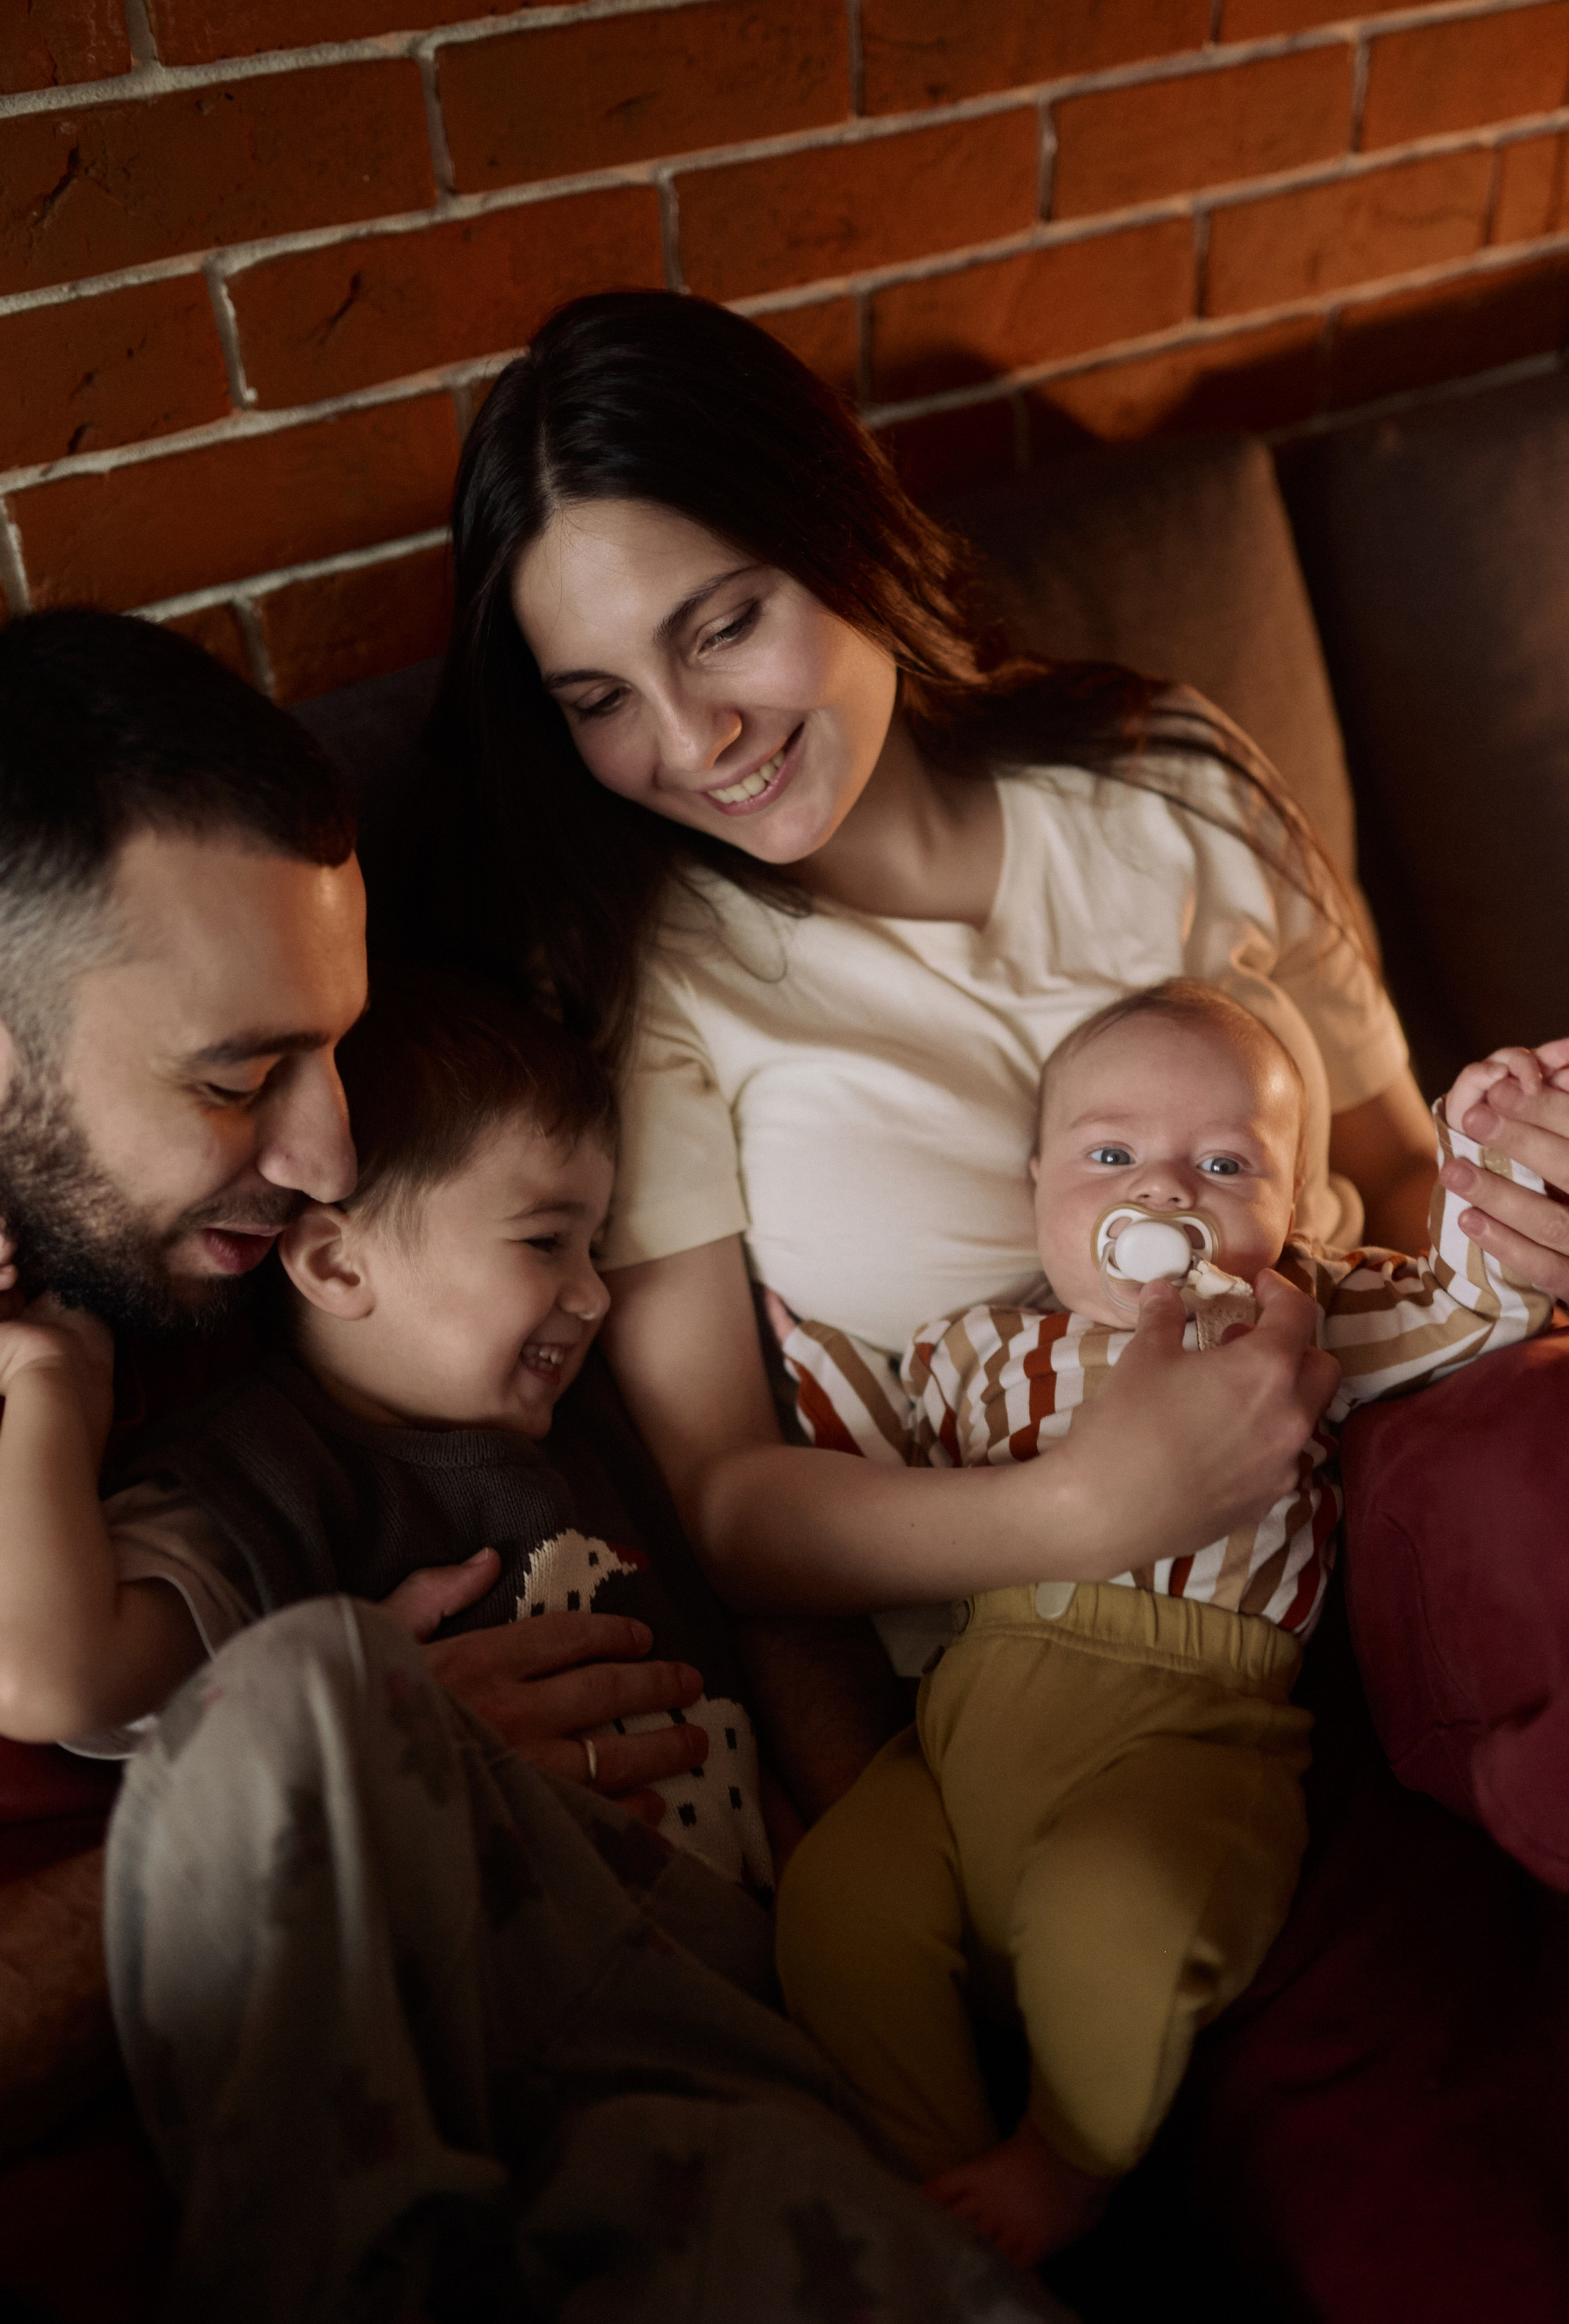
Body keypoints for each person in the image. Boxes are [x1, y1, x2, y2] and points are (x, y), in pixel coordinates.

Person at [0, 610, 1068, 2324]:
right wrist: (384, 1777)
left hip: (662, 2033)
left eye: (330, 1054)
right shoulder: (145, 1374)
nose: (329, 1158)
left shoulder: (229, 1246)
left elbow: (691, 1523)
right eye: (238, 1075)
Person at [424, 287, 1569, 1818]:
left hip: (1397, 1464)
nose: (692, 740)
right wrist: (1082, 1506)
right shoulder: (658, 980)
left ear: (842, 536)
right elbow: (733, 1502)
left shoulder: (1172, 776)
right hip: (1078, 1657)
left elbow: (1386, 1174)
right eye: (601, 700)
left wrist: (1523, 1212)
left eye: (725, 625)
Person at [768, 981, 1554, 2266]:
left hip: (1188, 1730)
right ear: (1034, 1189)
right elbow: (870, 1471)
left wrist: (1484, 1161)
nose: (1163, 1193)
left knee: (1118, 1903)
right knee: (839, 1905)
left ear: (1294, 1210)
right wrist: (802, 1347)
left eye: (1224, 1162)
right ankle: (927, 2179)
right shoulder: (970, 1347)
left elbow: (1473, 1306)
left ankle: (1065, 2158)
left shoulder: (1298, 1319)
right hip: (963, 1729)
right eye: (1110, 1155)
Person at [0, 965, 771, 1889]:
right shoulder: (270, 1478)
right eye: (543, 1240)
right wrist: (55, 1379)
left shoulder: (594, 1429)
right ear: (336, 1266)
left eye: (596, 1246)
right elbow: (50, 1678)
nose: (597, 1294)